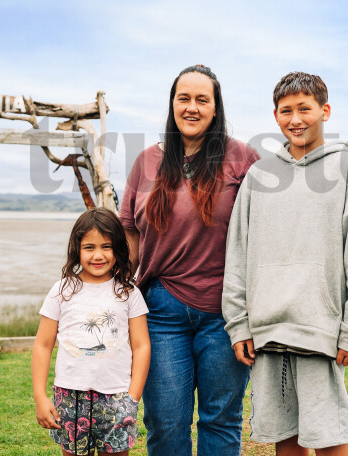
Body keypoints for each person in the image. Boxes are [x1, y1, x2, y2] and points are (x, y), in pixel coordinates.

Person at [223, 71, 348, 456]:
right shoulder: (259, 175)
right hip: (266, 329)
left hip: (320, 329)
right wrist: (238, 324)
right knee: (285, 438)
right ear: (275, 116)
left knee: (329, 436)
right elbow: (238, 252)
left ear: (324, 111)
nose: (295, 119)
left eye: (304, 109)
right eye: (286, 111)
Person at [119, 64, 260, 456]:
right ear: (172, 105)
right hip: (160, 311)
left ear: (216, 108)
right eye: (184, 98)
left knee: (220, 420)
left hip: (227, 313)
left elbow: (267, 232)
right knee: (165, 422)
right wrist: (114, 300)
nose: (192, 107)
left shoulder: (244, 159)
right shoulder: (147, 161)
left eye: (203, 99)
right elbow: (130, 234)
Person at [32, 207, 150, 456]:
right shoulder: (62, 290)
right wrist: (40, 397)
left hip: (117, 397)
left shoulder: (129, 293)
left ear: (118, 249)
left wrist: (133, 398)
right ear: (77, 248)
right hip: (69, 397)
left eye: (106, 247)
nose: (98, 255)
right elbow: (43, 345)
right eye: (89, 247)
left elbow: (141, 346)